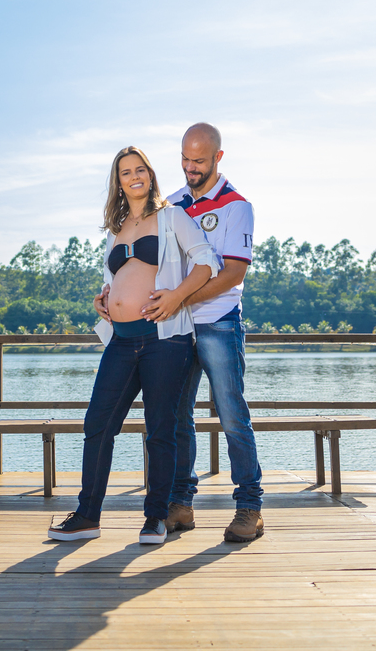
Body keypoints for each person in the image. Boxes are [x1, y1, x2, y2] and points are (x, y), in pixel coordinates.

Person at [97, 123, 264, 543]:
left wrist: (180, 299)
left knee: (231, 414)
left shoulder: (237, 205)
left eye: (199, 162)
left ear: (218, 158)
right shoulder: (171, 204)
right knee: (175, 418)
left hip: (219, 322)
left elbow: (233, 272)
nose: (191, 168)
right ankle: (180, 503)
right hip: (175, 328)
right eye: (185, 160)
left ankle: (249, 507)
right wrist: (112, 293)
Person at [48, 146, 221, 546]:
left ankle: (155, 519)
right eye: (126, 171)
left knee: (160, 431)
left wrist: (177, 296)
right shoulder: (116, 228)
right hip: (121, 343)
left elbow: (206, 261)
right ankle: (87, 516)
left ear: (150, 174)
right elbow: (119, 278)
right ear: (119, 181)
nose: (134, 176)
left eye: (140, 169)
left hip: (164, 341)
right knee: (98, 424)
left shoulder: (172, 216)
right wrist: (104, 298)